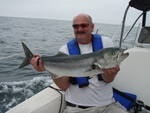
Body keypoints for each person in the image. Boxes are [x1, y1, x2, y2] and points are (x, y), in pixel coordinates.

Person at [30, 13, 128, 113]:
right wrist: (48, 69)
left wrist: (112, 73)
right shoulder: (65, 50)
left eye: (84, 25)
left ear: (92, 27)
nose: (79, 29)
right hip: (76, 108)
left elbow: (108, 79)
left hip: (107, 106)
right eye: (75, 26)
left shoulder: (106, 43)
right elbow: (63, 86)